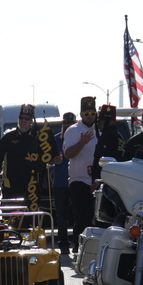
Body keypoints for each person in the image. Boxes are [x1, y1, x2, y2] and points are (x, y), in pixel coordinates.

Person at [0, 104, 52, 208]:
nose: (23, 121)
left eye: (27, 119)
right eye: (21, 118)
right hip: (11, 184)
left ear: (31, 120)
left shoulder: (38, 137)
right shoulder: (9, 137)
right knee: (9, 217)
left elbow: (47, 156)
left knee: (31, 218)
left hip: (32, 184)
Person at [63, 96, 98, 241]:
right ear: (81, 114)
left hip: (97, 181)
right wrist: (82, 143)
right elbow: (68, 154)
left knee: (96, 219)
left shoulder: (100, 130)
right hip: (79, 181)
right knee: (82, 218)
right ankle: (78, 247)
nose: (90, 117)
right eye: (87, 113)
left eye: (92, 114)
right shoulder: (73, 130)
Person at [53, 112, 76, 254]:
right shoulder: (55, 139)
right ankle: (63, 244)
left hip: (76, 181)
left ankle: (78, 243)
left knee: (77, 214)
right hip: (60, 183)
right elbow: (46, 158)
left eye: (70, 123)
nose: (67, 126)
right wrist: (53, 160)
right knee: (61, 215)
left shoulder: (80, 138)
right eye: (65, 123)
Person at [92, 104, 126, 181]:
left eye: (100, 121)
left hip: (107, 182)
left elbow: (103, 163)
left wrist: (98, 181)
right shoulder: (118, 136)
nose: (98, 124)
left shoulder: (108, 137)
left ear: (108, 122)